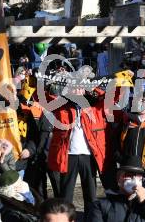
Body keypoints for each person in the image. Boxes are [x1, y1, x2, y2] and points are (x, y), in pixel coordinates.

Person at [47, 85, 113, 220]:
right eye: (74, 88)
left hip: (88, 156)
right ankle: (65, 219)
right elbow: (44, 98)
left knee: (91, 193)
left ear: (84, 90)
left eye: (80, 88)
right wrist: (48, 83)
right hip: (68, 156)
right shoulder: (61, 106)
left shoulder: (95, 107)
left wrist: (93, 87)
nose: (77, 91)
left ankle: (91, 219)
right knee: (66, 194)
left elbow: (110, 97)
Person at [88, 155, 145, 222]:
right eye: (128, 175)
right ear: (119, 178)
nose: (134, 179)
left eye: (137, 175)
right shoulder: (102, 205)